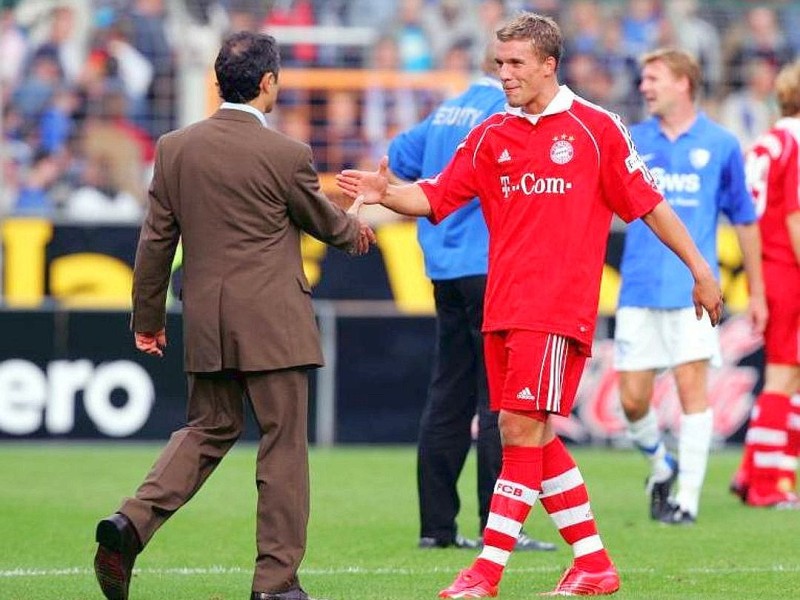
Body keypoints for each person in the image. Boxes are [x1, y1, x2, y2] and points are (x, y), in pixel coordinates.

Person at [338, 13, 723, 598]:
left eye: (516, 63)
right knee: (532, 434)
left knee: (517, 428)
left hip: (555, 307)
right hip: (501, 305)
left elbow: (650, 204)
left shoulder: (597, 129)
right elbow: (437, 195)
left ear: (549, 64)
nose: (505, 74)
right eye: (500, 63)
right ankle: (593, 563)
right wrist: (384, 191)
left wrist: (700, 269)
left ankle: (485, 573)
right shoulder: (494, 133)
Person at [92, 31, 374, 600]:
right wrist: (358, 224)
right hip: (275, 326)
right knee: (283, 446)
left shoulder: (175, 148)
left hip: (207, 321)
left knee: (208, 429)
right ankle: (276, 584)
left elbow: (154, 245)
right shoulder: (287, 153)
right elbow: (324, 223)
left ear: (218, 83)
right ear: (269, 83)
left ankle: (130, 522)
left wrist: (147, 319)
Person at [388, 46, 555, 552]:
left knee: (449, 394)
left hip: (443, 267)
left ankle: (436, 528)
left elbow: (399, 155)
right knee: (499, 399)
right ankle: (498, 526)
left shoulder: (448, 108)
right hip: (491, 266)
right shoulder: (505, 112)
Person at [614, 48, 767, 527]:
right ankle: (662, 465)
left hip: (694, 292)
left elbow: (744, 219)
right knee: (632, 400)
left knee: (692, 391)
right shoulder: (632, 140)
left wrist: (757, 292)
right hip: (638, 285)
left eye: (653, 77)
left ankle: (687, 500)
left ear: (683, 82)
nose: (644, 87)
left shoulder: (720, 144)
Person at [732, 59, 800, 509]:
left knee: (790, 375)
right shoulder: (796, 140)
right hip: (788, 265)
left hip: (769, 265)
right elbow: (795, 216)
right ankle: (767, 486)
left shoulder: (770, 139)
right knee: (783, 374)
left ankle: (753, 470)